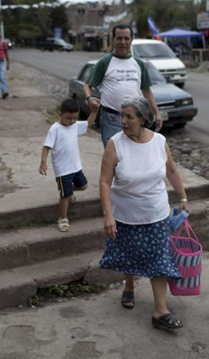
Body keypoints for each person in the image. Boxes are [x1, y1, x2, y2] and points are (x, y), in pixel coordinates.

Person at [98, 96, 189, 331]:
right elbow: (105, 182)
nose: (123, 121)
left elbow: (172, 170)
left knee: (159, 260)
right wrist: (108, 215)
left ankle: (161, 311)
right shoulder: (115, 144)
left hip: (156, 214)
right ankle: (129, 286)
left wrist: (183, 197)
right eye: (122, 116)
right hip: (125, 214)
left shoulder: (159, 141)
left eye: (129, 117)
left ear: (143, 119)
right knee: (130, 254)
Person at [83, 24, 162, 147]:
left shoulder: (139, 63)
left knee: (134, 155)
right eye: (119, 38)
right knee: (114, 157)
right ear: (113, 40)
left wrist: (156, 113)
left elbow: (146, 90)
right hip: (111, 119)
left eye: (126, 38)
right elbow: (87, 85)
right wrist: (89, 98)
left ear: (131, 40)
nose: (123, 42)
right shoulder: (105, 62)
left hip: (135, 119)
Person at [39, 98, 98, 232]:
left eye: (75, 118)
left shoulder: (74, 126)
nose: (71, 121)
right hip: (62, 169)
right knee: (64, 196)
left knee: (83, 186)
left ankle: (68, 191)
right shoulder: (55, 129)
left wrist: (94, 111)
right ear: (60, 114)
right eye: (68, 118)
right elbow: (46, 146)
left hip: (75, 166)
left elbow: (88, 123)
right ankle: (63, 218)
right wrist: (43, 162)